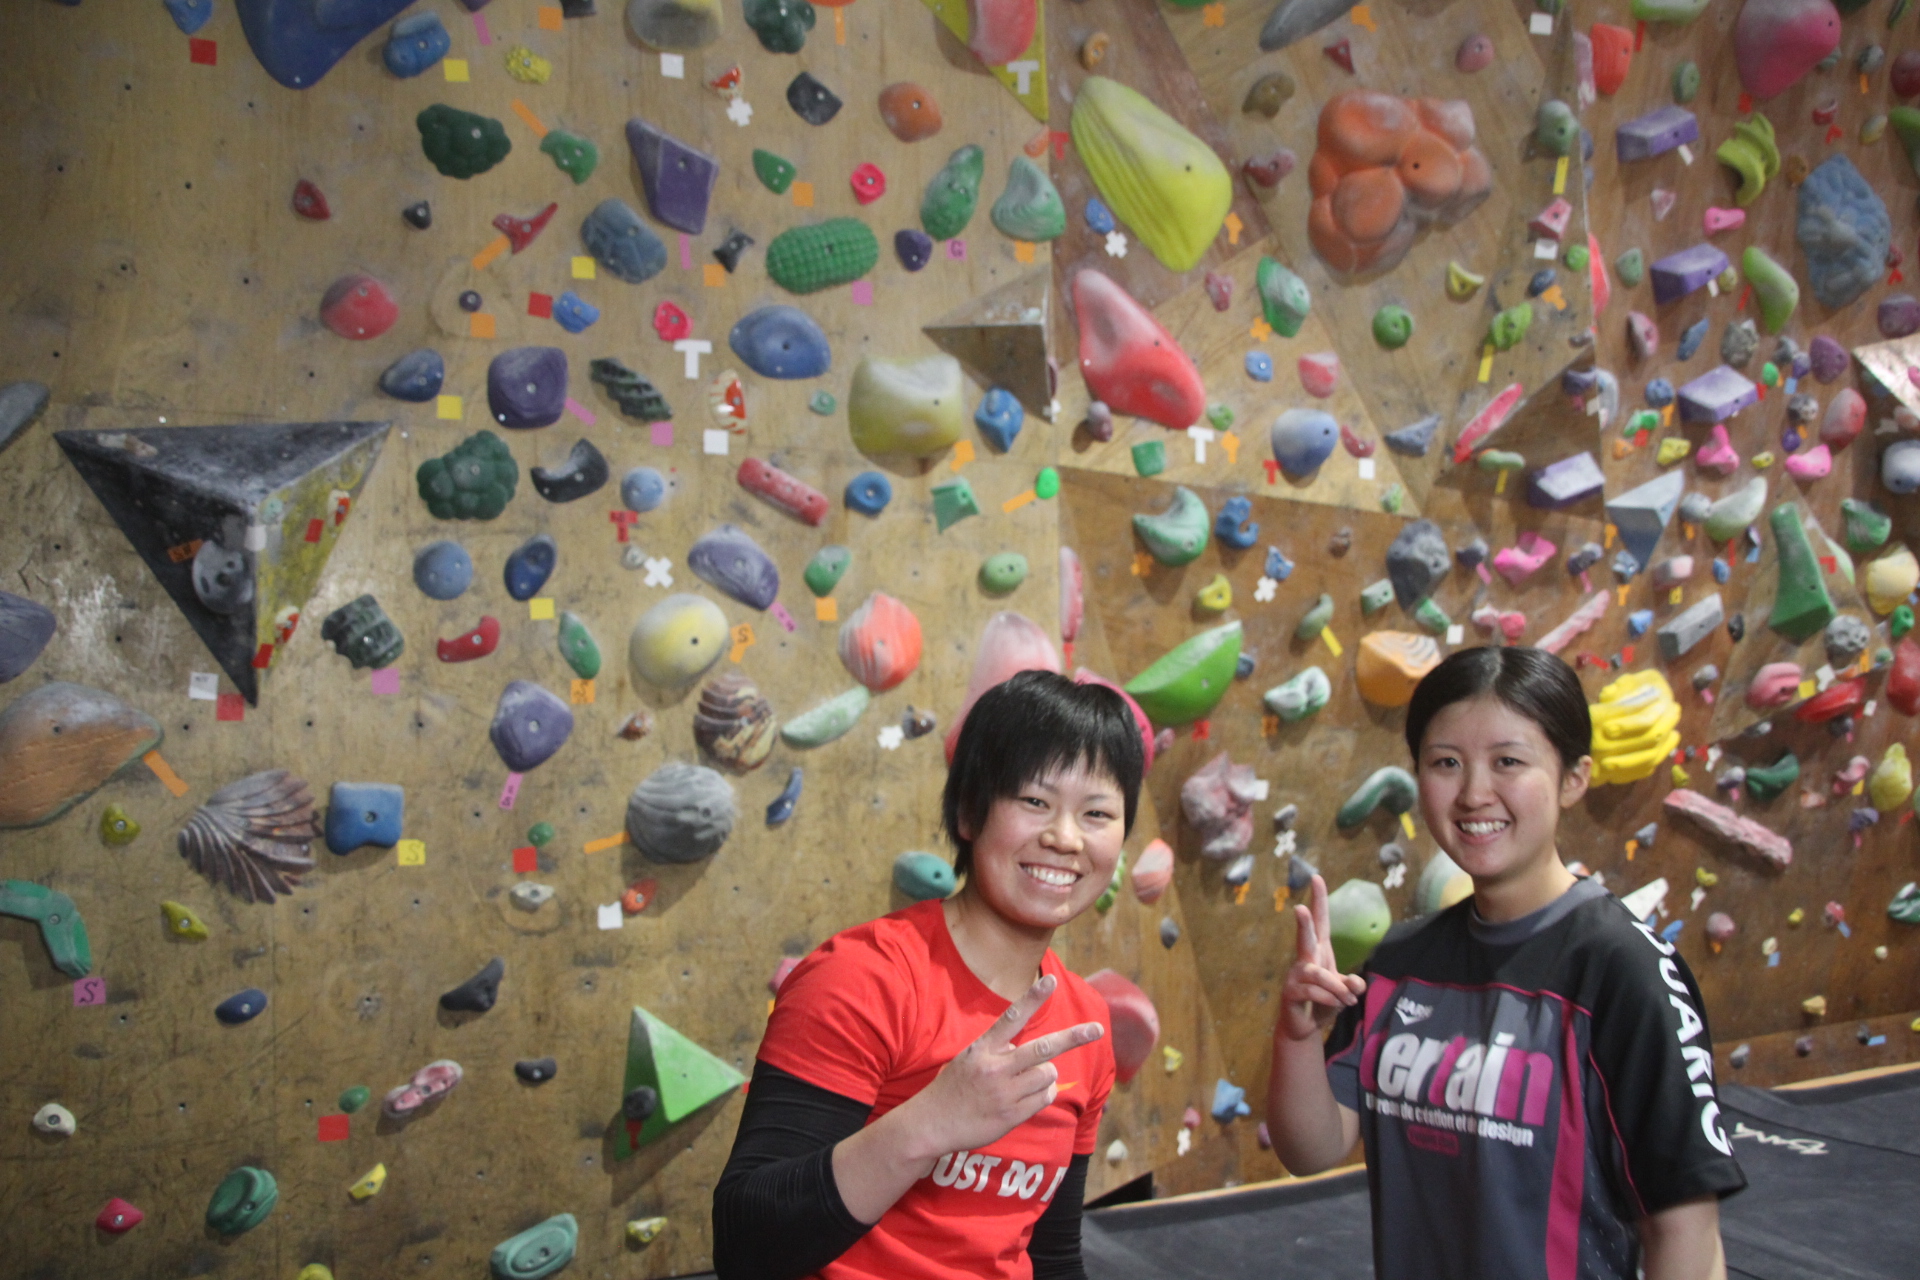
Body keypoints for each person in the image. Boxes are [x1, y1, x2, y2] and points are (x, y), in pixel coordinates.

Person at [1266, 645, 1746, 1280]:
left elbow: (1686, 1233)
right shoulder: (1398, 963)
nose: (1473, 793)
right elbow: (1312, 1149)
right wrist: (1297, 1036)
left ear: (1574, 778)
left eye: (1508, 762)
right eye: (1446, 763)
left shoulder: (1623, 971)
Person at [713, 669, 1145, 1279]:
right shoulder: (862, 979)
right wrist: (930, 1124)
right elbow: (746, 1245)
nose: (1065, 838)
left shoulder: (1084, 1023)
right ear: (969, 811)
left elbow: (1051, 1256)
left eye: (1097, 812)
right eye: (1034, 802)